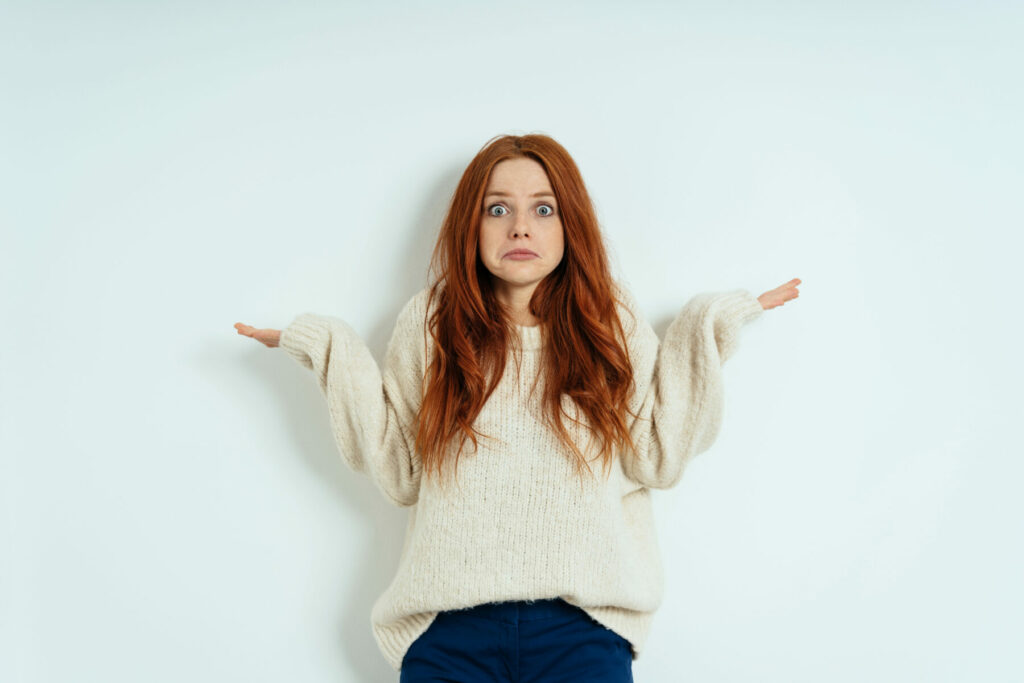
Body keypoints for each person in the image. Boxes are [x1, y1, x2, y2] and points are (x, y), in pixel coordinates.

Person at [235, 133, 800, 682]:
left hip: (583, 633)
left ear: (570, 223)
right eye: (497, 208)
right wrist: (327, 346)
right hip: (449, 636)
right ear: (472, 225)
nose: (520, 227)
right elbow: (401, 471)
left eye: (544, 209)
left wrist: (709, 324)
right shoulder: (432, 323)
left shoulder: (609, 320)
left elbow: (657, 455)